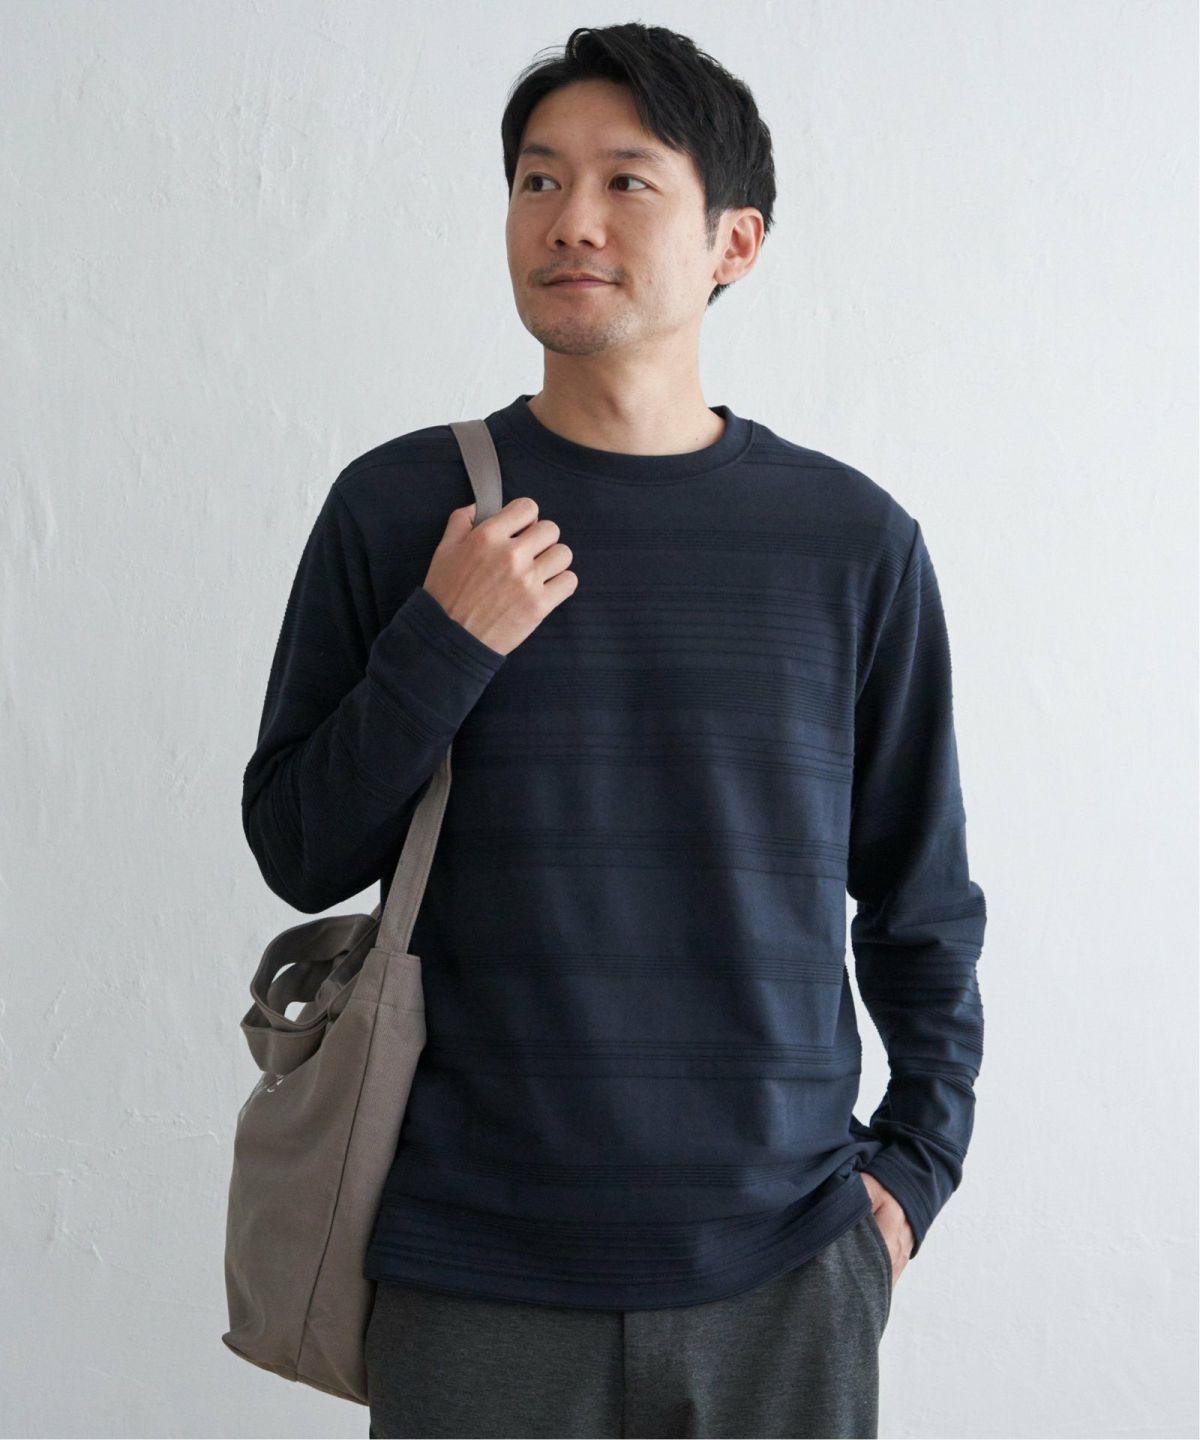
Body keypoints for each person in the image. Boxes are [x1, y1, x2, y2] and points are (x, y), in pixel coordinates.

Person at [241, 22, 987, 1440]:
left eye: (626, 182)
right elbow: (297, 848)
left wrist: (917, 1168)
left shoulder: (850, 541)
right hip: (469, 1266)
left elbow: (921, 897)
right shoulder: (399, 509)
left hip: (787, 1267)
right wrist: (447, 638)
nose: (569, 220)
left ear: (734, 242)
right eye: (537, 180)